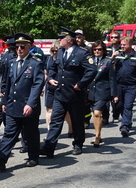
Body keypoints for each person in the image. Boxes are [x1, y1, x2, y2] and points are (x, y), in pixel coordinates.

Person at [0, 33, 45, 171]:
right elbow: (7, 83)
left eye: (22, 47)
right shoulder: (12, 62)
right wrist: (4, 102)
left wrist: (30, 104)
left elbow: (37, 85)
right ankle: (0, 159)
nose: (19, 49)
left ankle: (34, 156)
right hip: (13, 104)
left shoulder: (35, 63)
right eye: (17, 47)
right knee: (9, 133)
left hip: (28, 105)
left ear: (29, 47)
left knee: (31, 133)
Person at [40, 27, 96, 158]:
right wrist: (50, 78)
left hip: (75, 94)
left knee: (77, 121)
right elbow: (53, 67)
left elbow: (91, 70)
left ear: (69, 40)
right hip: (60, 93)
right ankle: (49, 147)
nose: (59, 40)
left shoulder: (82, 53)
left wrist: (81, 84)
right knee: (55, 120)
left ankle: (78, 144)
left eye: (61, 38)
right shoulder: (60, 52)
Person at [110, 36, 136, 137]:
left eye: (124, 45)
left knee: (128, 105)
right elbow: (109, 68)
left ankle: (125, 126)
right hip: (118, 85)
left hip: (131, 86)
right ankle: (127, 121)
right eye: (121, 44)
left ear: (130, 45)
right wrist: (112, 58)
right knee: (118, 106)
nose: (122, 46)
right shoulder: (118, 55)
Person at [86, 41, 112, 147]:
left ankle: (97, 136)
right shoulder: (89, 61)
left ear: (103, 50)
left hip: (103, 91)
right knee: (94, 113)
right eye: (95, 49)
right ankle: (99, 134)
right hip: (90, 91)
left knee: (97, 113)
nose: (97, 51)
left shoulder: (108, 62)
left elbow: (112, 79)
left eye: (99, 49)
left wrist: (114, 94)